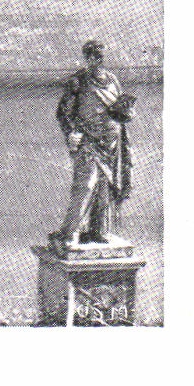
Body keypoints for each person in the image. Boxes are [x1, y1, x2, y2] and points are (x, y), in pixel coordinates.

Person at [54, 40, 135, 247]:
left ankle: (99, 231)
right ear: (86, 58)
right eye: (91, 56)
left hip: (112, 141)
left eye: (99, 56)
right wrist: (72, 132)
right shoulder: (78, 81)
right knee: (86, 185)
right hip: (88, 140)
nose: (96, 60)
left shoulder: (113, 80)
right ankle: (70, 233)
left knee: (105, 187)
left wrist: (126, 111)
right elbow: (63, 112)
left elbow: (120, 109)